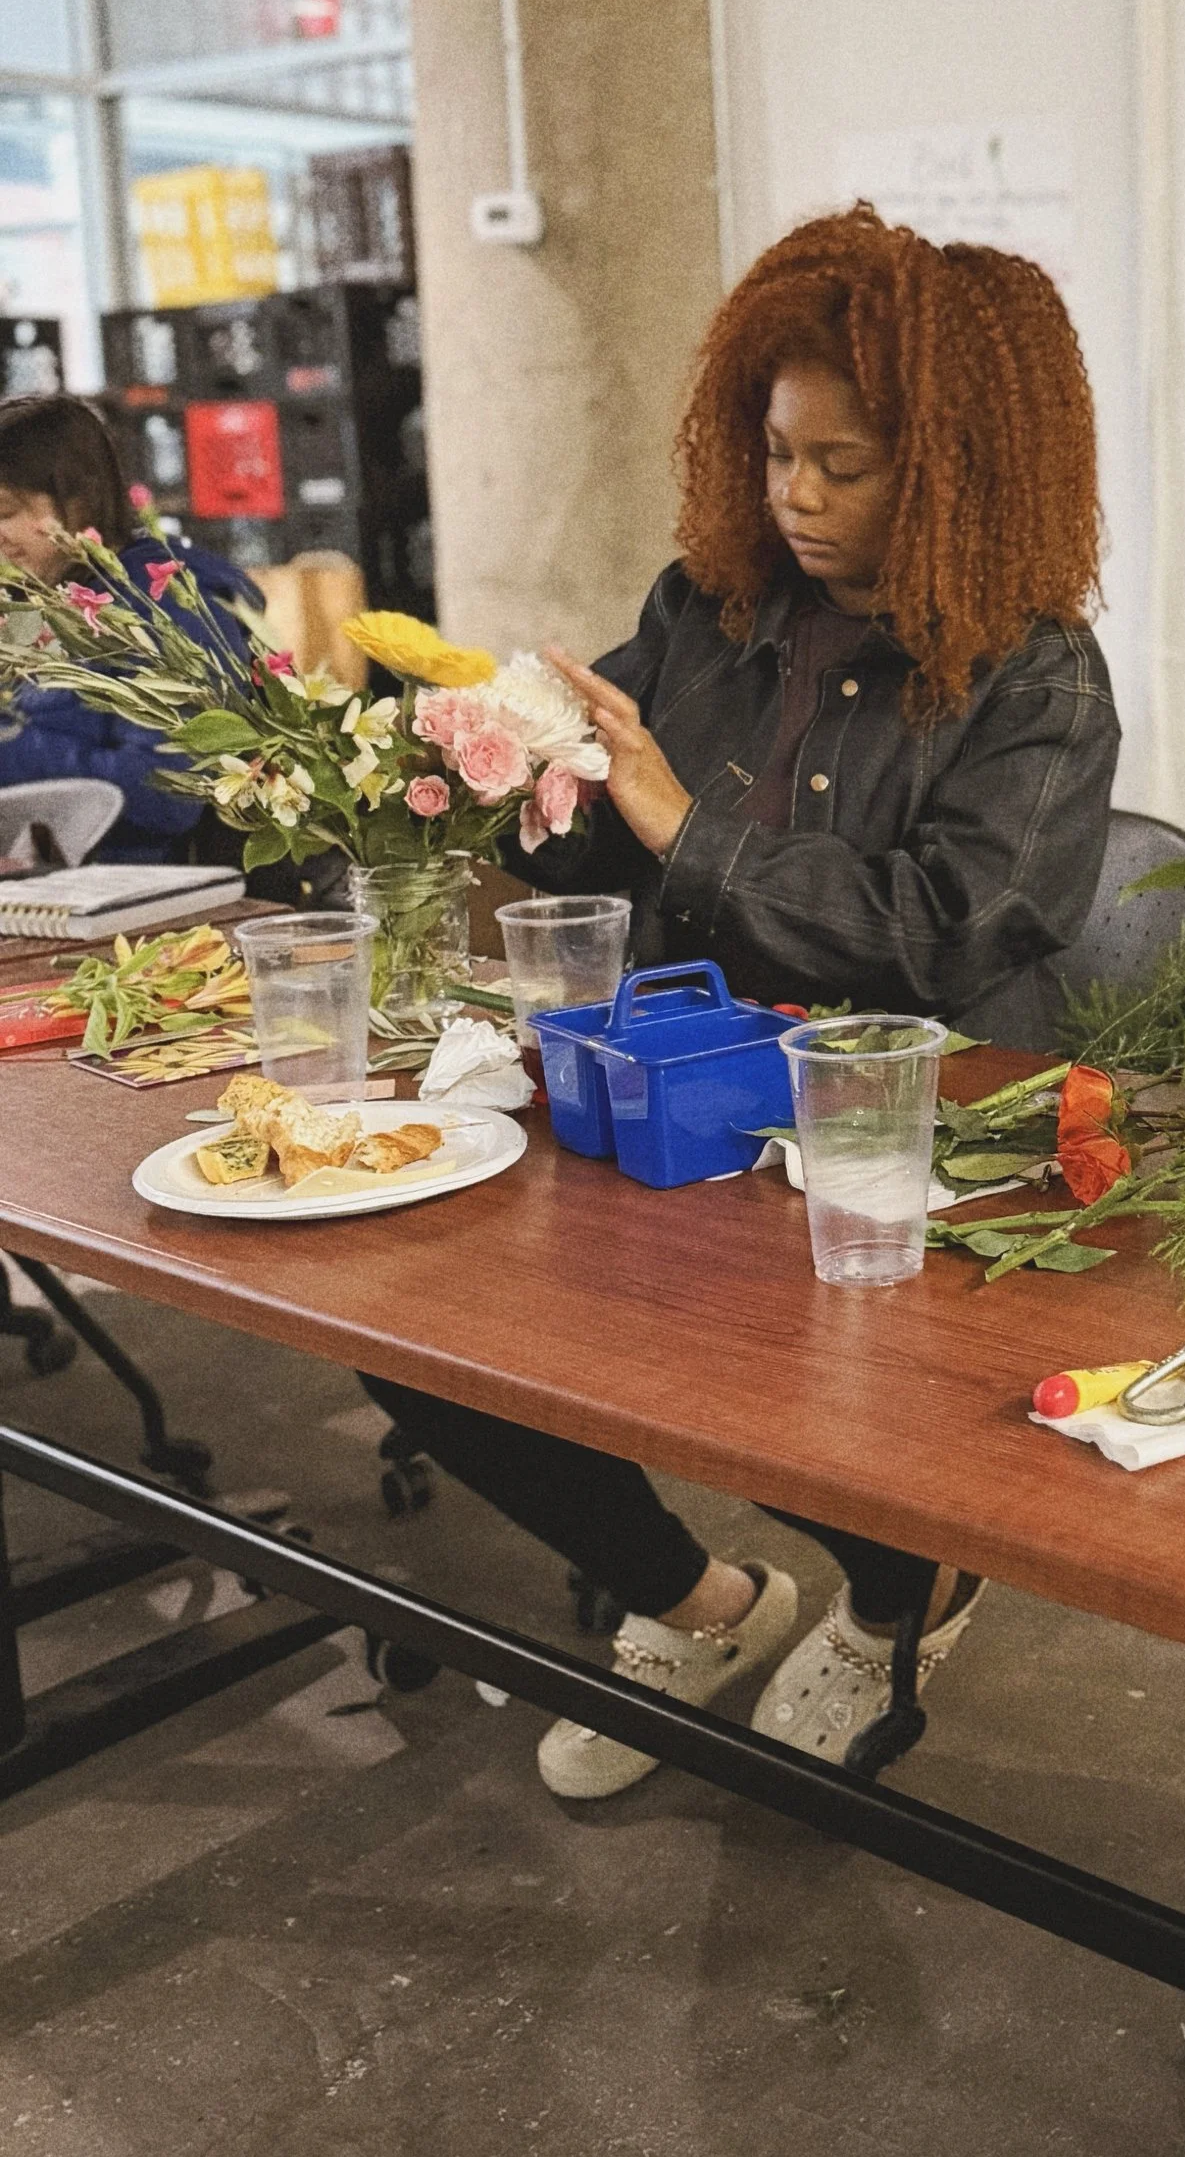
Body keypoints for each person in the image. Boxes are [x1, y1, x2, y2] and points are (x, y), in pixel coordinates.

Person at [361, 207, 1119, 1801]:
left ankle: (911, 1581)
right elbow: (600, 820)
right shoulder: (713, 605)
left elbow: (951, 931)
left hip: (892, 1143)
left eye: (845, 464)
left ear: (962, 467)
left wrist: (680, 826)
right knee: (400, 1313)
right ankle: (693, 1599)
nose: (797, 495)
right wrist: (496, 764)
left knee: (762, 1367)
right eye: (777, 452)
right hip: (674, 1090)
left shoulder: (1035, 678)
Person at [0, 393, 257, 858]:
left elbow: (171, 792)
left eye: (4, 512)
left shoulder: (164, 604)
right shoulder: (36, 600)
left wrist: (14, 750)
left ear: (82, 499)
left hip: (155, 906)